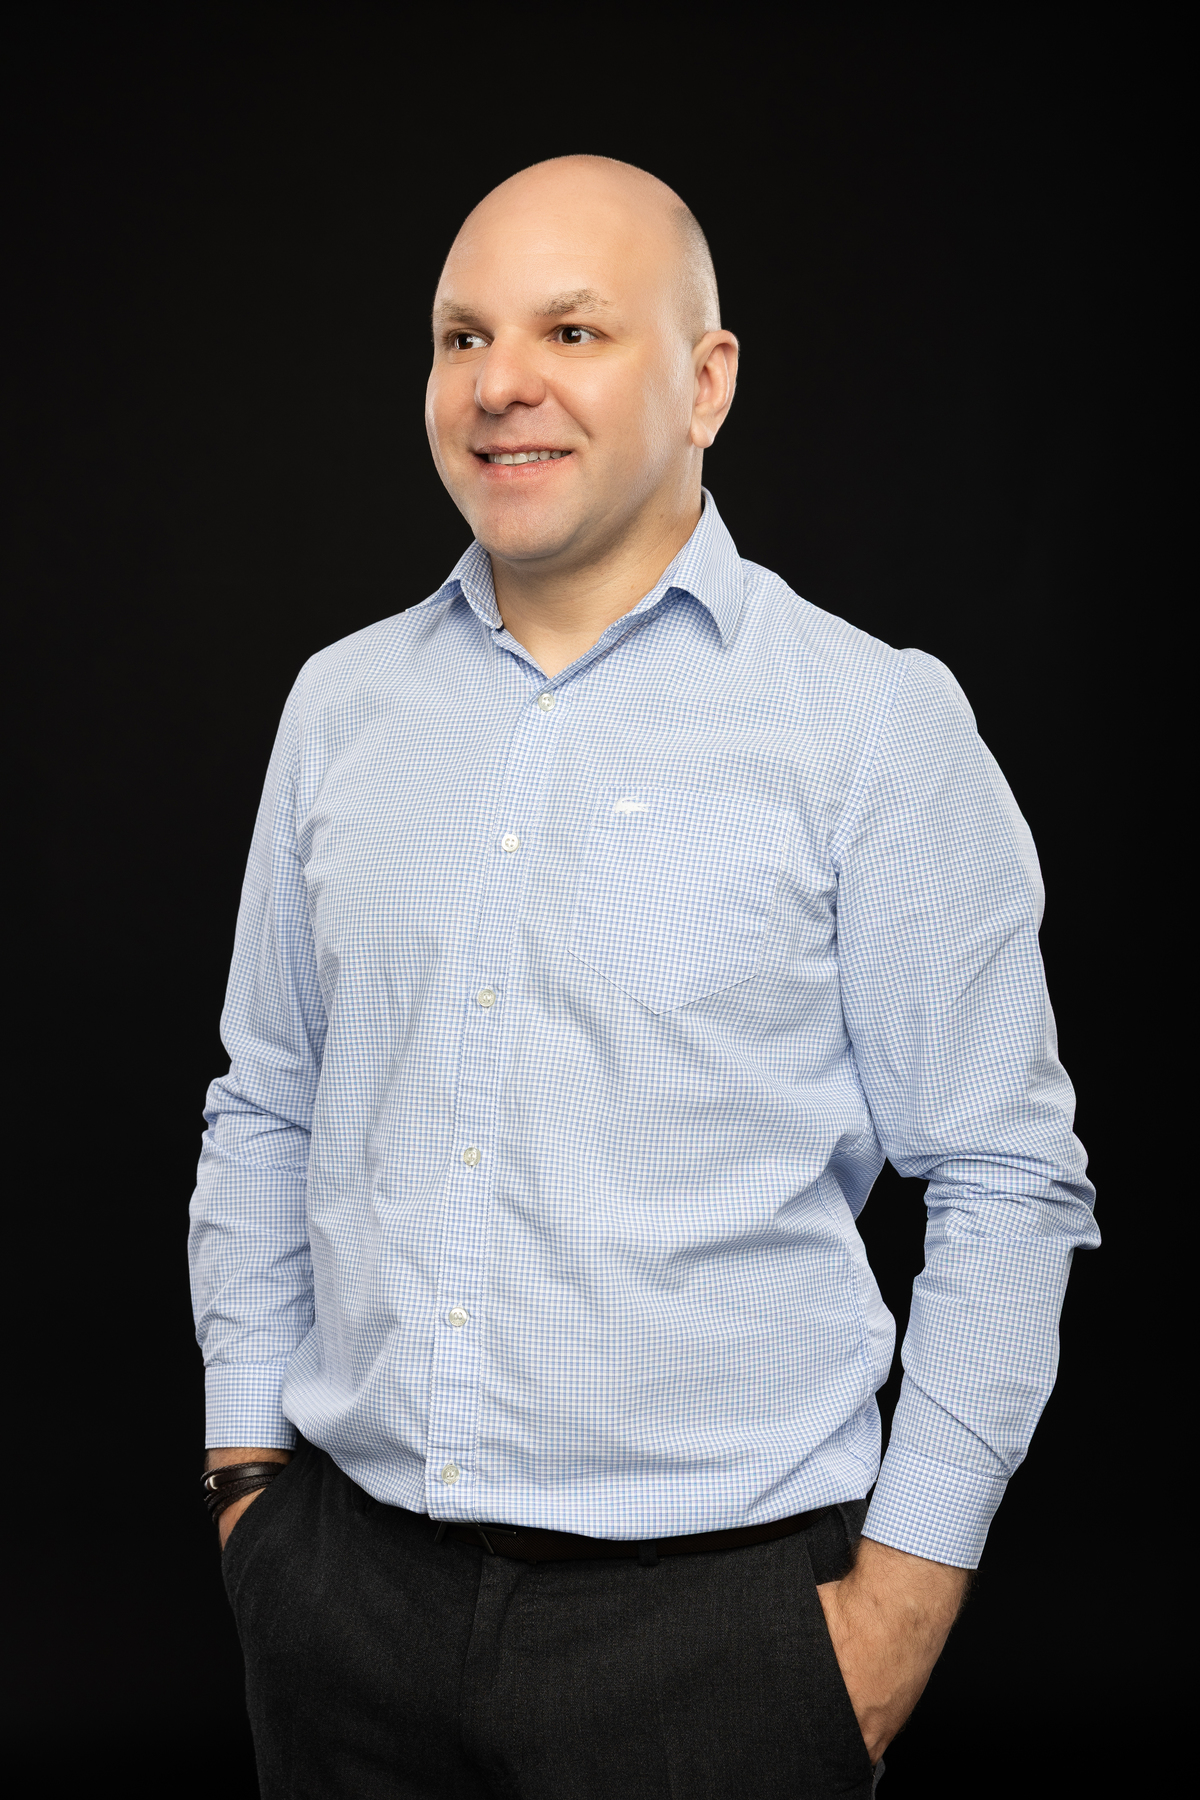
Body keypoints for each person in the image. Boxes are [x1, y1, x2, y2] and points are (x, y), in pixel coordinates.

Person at [190, 155, 1098, 1800]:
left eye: (572, 330)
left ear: (706, 381)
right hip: (342, 1612)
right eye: (462, 337)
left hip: (717, 1641)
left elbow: (1005, 1180)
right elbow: (268, 1107)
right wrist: (249, 1482)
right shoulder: (338, 708)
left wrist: (898, 1612)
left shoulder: (869, 724)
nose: (499, 384)